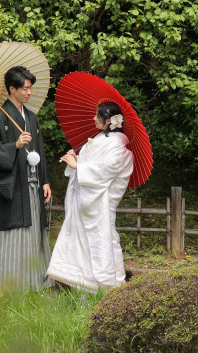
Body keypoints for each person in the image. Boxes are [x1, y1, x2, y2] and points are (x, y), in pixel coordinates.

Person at [46, 102, 134, 292]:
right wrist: (76, 160)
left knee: (105, 241)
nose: (94, 118)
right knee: (84, 243)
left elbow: (108, 169)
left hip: (100, 202)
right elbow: (92, 163)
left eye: (97, 116)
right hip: (87, 199)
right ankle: (86, 286)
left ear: (108, 120)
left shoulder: (118, 145)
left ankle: (111, 284)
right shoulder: (99, 137)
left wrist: (79, 167)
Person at [0, 66, 52, 290]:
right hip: (13, 188)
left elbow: (39, 150)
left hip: (32, 187)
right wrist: (14, 145)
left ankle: (35, 283)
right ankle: (9, 286)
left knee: (34, 234)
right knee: (14, 235)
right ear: (11, 89)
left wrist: (45, 181)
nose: (29, 93)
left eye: (30, 88)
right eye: (24, 88)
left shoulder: (31, 118)